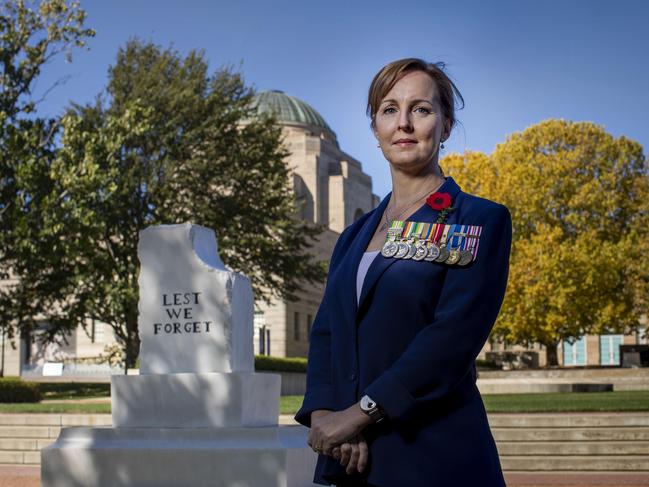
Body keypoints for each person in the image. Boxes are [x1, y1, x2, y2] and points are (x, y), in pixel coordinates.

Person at [294, 58, 511, 487]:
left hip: (435, 459)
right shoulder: (352, 236)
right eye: (389, 110)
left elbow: (450, 341)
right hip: (351, 463)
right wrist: (326, 418)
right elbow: (326, 335)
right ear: (375, 129)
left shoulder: (476, 220)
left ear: (446, 125)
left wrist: (361, 414)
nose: (404, 123)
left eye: (422, 109)